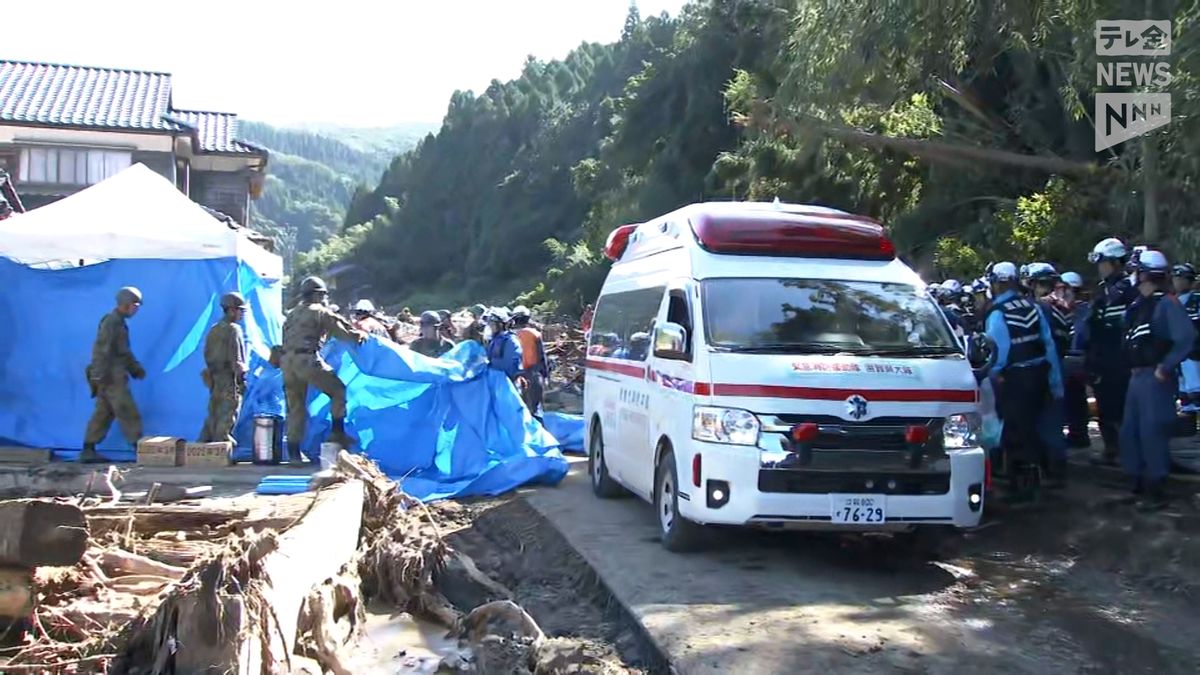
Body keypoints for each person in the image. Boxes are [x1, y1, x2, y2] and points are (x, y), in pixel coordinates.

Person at [1121, 250, 1195, 510]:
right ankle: (1138, 484)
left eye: (1136, 271)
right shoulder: (1141, 304)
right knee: (1131, 431)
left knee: (1152, 432)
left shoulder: (1166, 303)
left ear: (1146, 274)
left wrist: (1165, 367)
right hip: (1138, 377)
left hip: (1154, 378)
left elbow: (1186, 338)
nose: (1133, 276)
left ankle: (1156, 489)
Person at [985, 262, 1063, 502]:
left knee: (1015, 432)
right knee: (1034, 428)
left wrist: (992, 374)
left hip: (1015, 379)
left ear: (997, 282)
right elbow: (1048, 344)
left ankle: (1022, 487)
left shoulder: (998, 312)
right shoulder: (1032, 307)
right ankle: (1039, 477)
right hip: (1039, 375)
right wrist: (1055, 382)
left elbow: (998, 349)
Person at [280, 276, 366, 463]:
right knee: (338, 390)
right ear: (318, 295)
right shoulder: (320, 311)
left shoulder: (292, 314)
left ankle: (294, 454)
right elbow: (341, 330)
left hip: (287, 362)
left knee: (295, 408)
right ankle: (337, 434)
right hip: (307, 359)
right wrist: (357, 335)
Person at [1084, 237, 1140, 465]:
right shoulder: (1103, 292)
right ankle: (1111, 449)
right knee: (1105, 408)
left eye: (1103, 262)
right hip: (1103, 361)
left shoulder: (1127, 291)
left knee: (1121, 408)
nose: (1100, 268)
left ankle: (1127, 452)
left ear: (1115, 263)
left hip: (1120, 361)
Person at [82, 287, 146, 463]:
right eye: (135, 305)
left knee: (104, 413)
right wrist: (98, 376)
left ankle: (88, 448)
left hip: (111, 375)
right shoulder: (112, 323)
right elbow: (102, 351)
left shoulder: (118, 323)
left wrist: (134, 368)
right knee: (127, 410)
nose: (136, 309)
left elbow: (123, 352)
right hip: (110, 376)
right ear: (126, 305)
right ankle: (141, 450)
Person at [1028, 263, 1072, 487]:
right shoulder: (1060, 306)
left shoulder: (1042, 309)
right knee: (1051, 423)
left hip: (1047, 370)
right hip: (1056, 367)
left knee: (1048, 424)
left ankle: (1054, 473)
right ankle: (1054, 470)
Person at [198, 292, 249, 444]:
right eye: (241, 310)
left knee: (213, 410)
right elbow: (237, 360)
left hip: (214, 377)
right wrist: (242, 380)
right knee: (229, 409)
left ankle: (203, 443)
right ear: (232, 310)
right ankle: (221, 443)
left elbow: (207, 353)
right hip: (229, 378)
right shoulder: (234, 330)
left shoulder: (214, 329)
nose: (242, 314)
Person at [1058, 271, 1092, 447]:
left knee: (1076, 398)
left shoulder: (1085, 311)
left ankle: (1079, 434)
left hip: (1078, 360)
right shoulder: (1059, 309)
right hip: (1064, 360)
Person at [511, 306, 549, 418]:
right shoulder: (534, 334)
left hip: (517, 375)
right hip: (534, 373)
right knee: (535, 409)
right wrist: (545, 376)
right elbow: (542, 357)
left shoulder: (510, 335)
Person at [1172, 263, 1200, 414]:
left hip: (1194, 353)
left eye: (1182, 278)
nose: (1178, 282)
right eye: (1176, 278)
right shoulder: (1170, 302)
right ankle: (1190, 429)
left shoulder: (1196, 301)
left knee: (1196, 390)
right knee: (1184, 394)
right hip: (1177, 355)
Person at [484, 307, 523, 382]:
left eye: (492, 324)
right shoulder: (493, 341)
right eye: (490, 324)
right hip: (495, 381)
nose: (490, 327)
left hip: (507, 383)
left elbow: (514, 364)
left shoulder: (510, 341)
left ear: (501, 325)